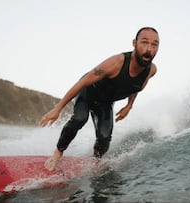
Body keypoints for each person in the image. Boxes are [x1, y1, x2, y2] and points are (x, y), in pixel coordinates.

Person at [39, 27, 159, 171]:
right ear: (134, 43)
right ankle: (58, 153)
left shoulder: (151, 70)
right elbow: (82, 83)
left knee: (104, 137)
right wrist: (58, 109)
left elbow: (136, 87)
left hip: (105, 102)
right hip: (88, 93)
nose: (149, 49)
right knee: (79, 118)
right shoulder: (115, 63)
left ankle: (96, 162)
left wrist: (129, 106)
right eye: (144, 42)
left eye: (154, 45)